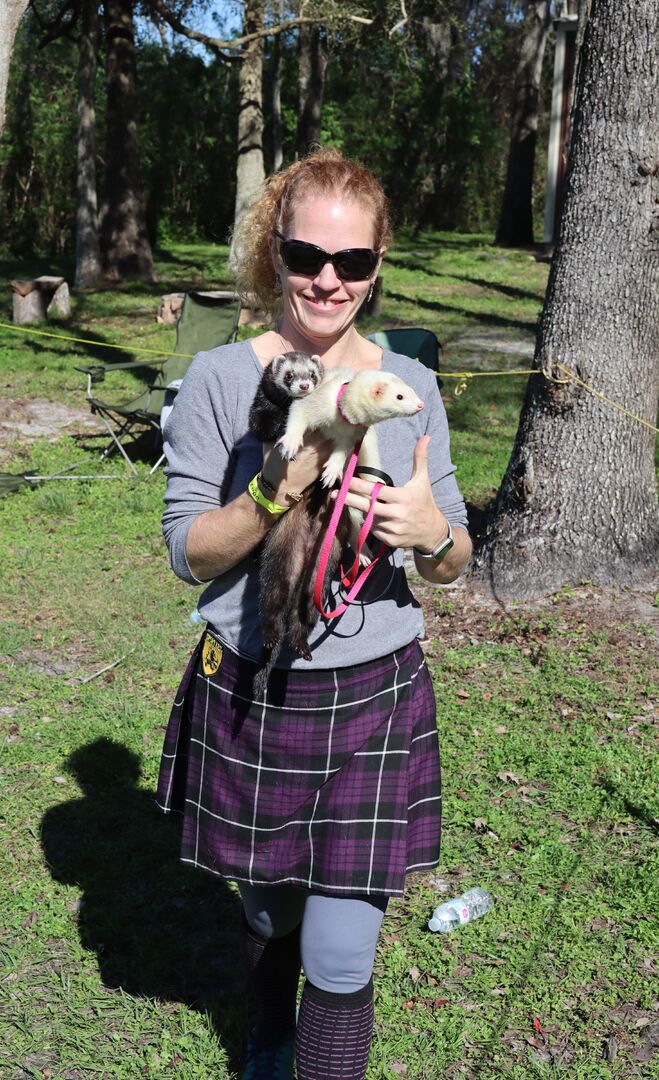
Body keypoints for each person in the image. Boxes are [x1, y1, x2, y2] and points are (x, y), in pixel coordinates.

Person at [156, 148, 472, 1080]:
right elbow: (186, 553)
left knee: (340, 953)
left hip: (374, 692)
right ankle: (269, 1032)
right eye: (305, 255)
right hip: (253, 684)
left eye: (354, 262)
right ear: (273, 254)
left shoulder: (410, 386)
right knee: (267, 913)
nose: (328, 280)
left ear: (377, 269)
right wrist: (273, 489)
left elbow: (455, 562)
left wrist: (431, 534)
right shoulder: (220, 378)